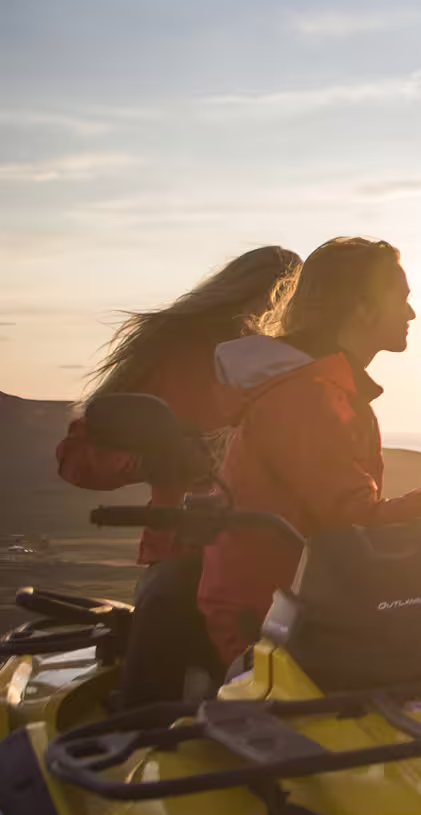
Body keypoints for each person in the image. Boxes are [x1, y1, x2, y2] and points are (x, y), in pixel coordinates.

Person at [197, 238, 421, 667]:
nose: (412, 313)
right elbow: (355, 526)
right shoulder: (304, 397)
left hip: (311, 602)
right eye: (402, 299)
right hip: (278, 620)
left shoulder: (327, 389)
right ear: (361, 308)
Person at [55, 245, 301, 702]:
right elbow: (81, 453)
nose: (273, 309)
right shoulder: (174, 348)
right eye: (277, 294)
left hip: (283, 560)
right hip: (188, 553)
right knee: (158, 693)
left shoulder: (294, 366)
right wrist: (154, 459)